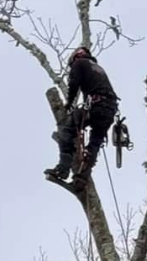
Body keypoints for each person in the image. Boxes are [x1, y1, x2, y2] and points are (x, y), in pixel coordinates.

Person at [45, 47, 119, 187]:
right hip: (109, 108)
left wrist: (69, 103)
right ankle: (82, 178)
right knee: (95, 142)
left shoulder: (79, 64)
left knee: (67, 130)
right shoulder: (97, 67)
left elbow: (74, 84)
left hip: (96, 105)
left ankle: (63, 169)